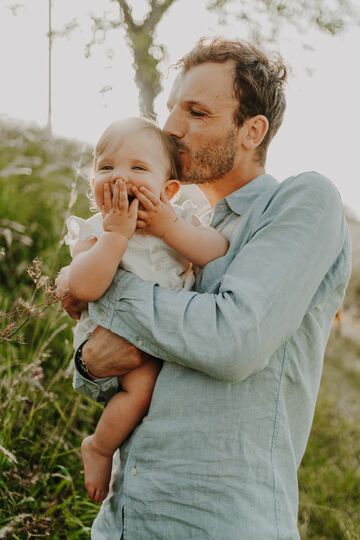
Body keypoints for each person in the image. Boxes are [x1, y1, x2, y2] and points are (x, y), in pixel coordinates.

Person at [56, 38, 351, 539]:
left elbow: (232, 341)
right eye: (171, 108)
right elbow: (97, 370)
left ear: (251, 131)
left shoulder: (300, 203)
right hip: (125, 516)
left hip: (218, 521)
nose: (171, 126)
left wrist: (105, 291)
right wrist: (87, 361)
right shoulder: (167, 228)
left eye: (196, 111)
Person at [64, 116, 228, 503]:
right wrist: (115, 236)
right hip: (114, 336)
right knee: (141, 389)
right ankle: (100, 447)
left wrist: (169, 228)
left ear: (168, 189)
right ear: (92, 181)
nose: (120, 177)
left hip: (166, 335)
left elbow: (216, 251)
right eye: (106, 167)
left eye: (138, 168)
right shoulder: (95, 231)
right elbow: (83, 287)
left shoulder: (178, 222)